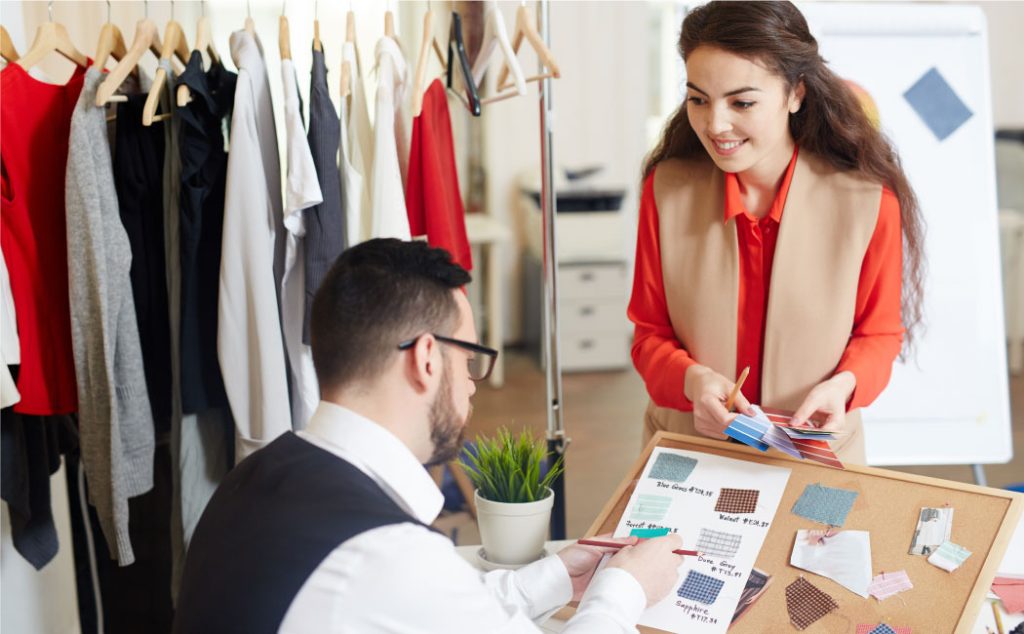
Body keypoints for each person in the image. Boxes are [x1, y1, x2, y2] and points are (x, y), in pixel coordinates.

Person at [173, 238, 685, 633]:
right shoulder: (386, 554)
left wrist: (554, 578)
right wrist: (626, 589)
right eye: (467, 361)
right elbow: (406, 588)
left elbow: (427, 612)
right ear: (424, 359)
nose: (470, 386)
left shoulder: (254, 478)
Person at [628, 1, 924, 463]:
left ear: (796, 94)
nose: (715, 124)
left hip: (815, 452)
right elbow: (649, 335)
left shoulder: (867, 201)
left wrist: (843, 387)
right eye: (698, 99)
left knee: (812, 537)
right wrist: (692, 381)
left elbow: (879, 334)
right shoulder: (667, 191)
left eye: (742, 102)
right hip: (688, 451)